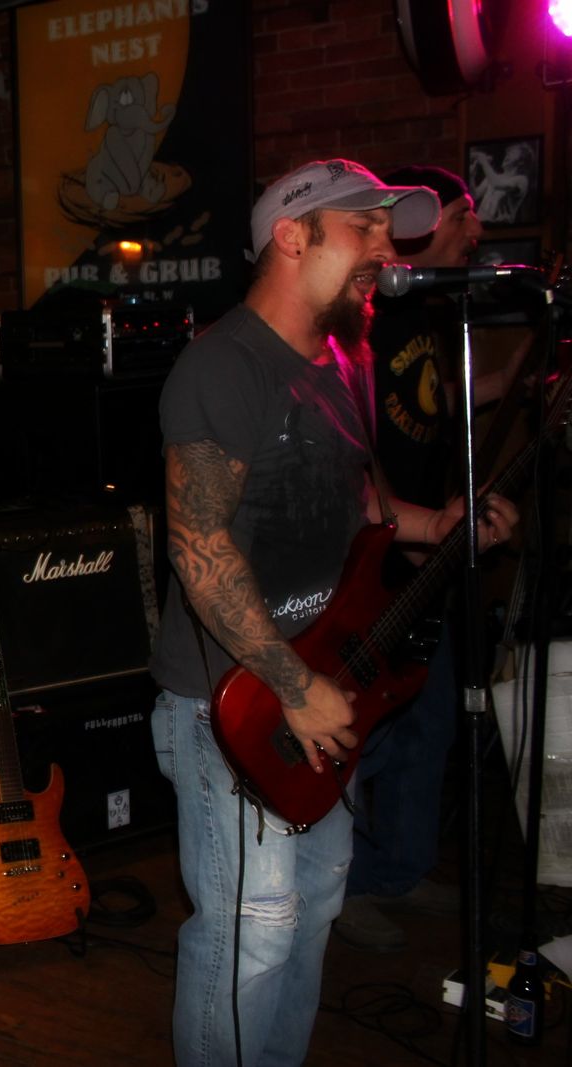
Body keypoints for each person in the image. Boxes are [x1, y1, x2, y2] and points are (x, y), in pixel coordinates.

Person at [148, 158, 518, 1065]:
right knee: (252, 929)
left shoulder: (344, 359)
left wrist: (438, 523)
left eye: (391, 228)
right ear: (292, 235)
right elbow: (197, 547)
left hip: (323, 678)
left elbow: (356, 501)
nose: (388, 248)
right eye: (365, 226)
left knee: (311, 907)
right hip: (237, 699)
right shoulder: (224, 366)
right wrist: (292, 682)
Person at [334, 165, 526, 952]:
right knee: (360, 733)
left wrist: (519, 375)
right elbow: (351, 442)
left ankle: (399, 868)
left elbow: (437, 402)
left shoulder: (432, 310)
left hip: (428, 548)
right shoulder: (367, 316)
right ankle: (342, 884)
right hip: (377, 556)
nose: (477, 229)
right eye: (464, 213)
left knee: (431, 721)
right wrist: (402, 529)